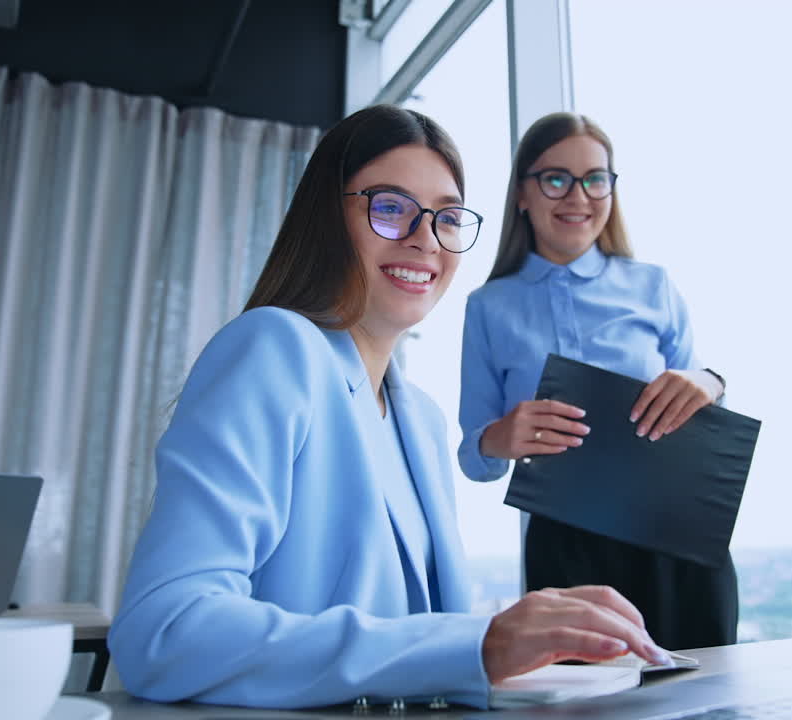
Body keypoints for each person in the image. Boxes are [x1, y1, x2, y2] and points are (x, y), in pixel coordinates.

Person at [107, 105, 673, 711]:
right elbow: (165, 631)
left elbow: (414, 648)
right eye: (389, 207)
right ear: (329, 217)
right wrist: (476, 645)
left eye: (446, 217)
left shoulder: (422, 423)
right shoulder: (274, 348)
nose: (423, 238)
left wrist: (519, 638)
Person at [457, 112, 736, 651]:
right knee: (581, 703)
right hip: (566, 546)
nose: (578, 196)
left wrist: (709, 381)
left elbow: (699, 399)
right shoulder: (488, 307)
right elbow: (475, 457)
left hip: (677, 530)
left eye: (595, 179)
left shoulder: (653, 285)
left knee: (705, 697)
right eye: (556, 178)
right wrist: (500, 437)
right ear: (522, 194)